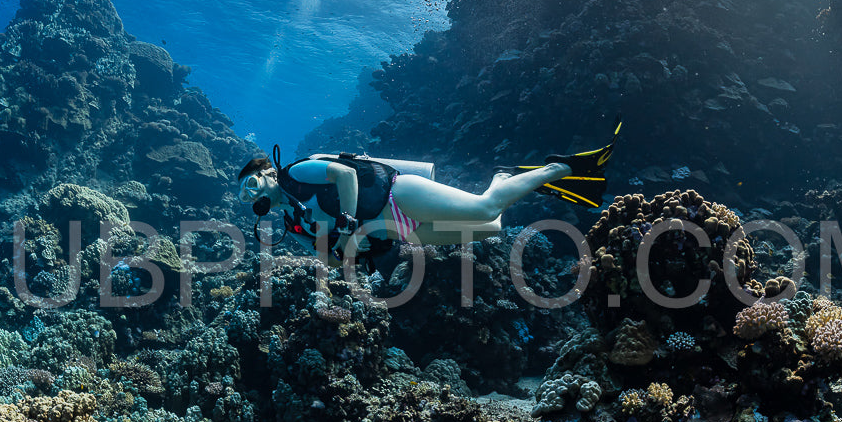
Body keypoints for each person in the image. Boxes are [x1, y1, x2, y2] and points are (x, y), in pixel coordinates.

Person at [237, 119, 620, 268]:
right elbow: (334, 260)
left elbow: (345, 176)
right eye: (245, 196)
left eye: (252, 183)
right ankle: (503, 177)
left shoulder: (298, 172)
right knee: (492, 228)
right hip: (399, 233)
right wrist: (345, 253)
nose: (253, 195)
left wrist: (348, 225)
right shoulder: (294, 221)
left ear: (268, 173)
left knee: (487, 208)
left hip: (397, 196)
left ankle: (562, 167)